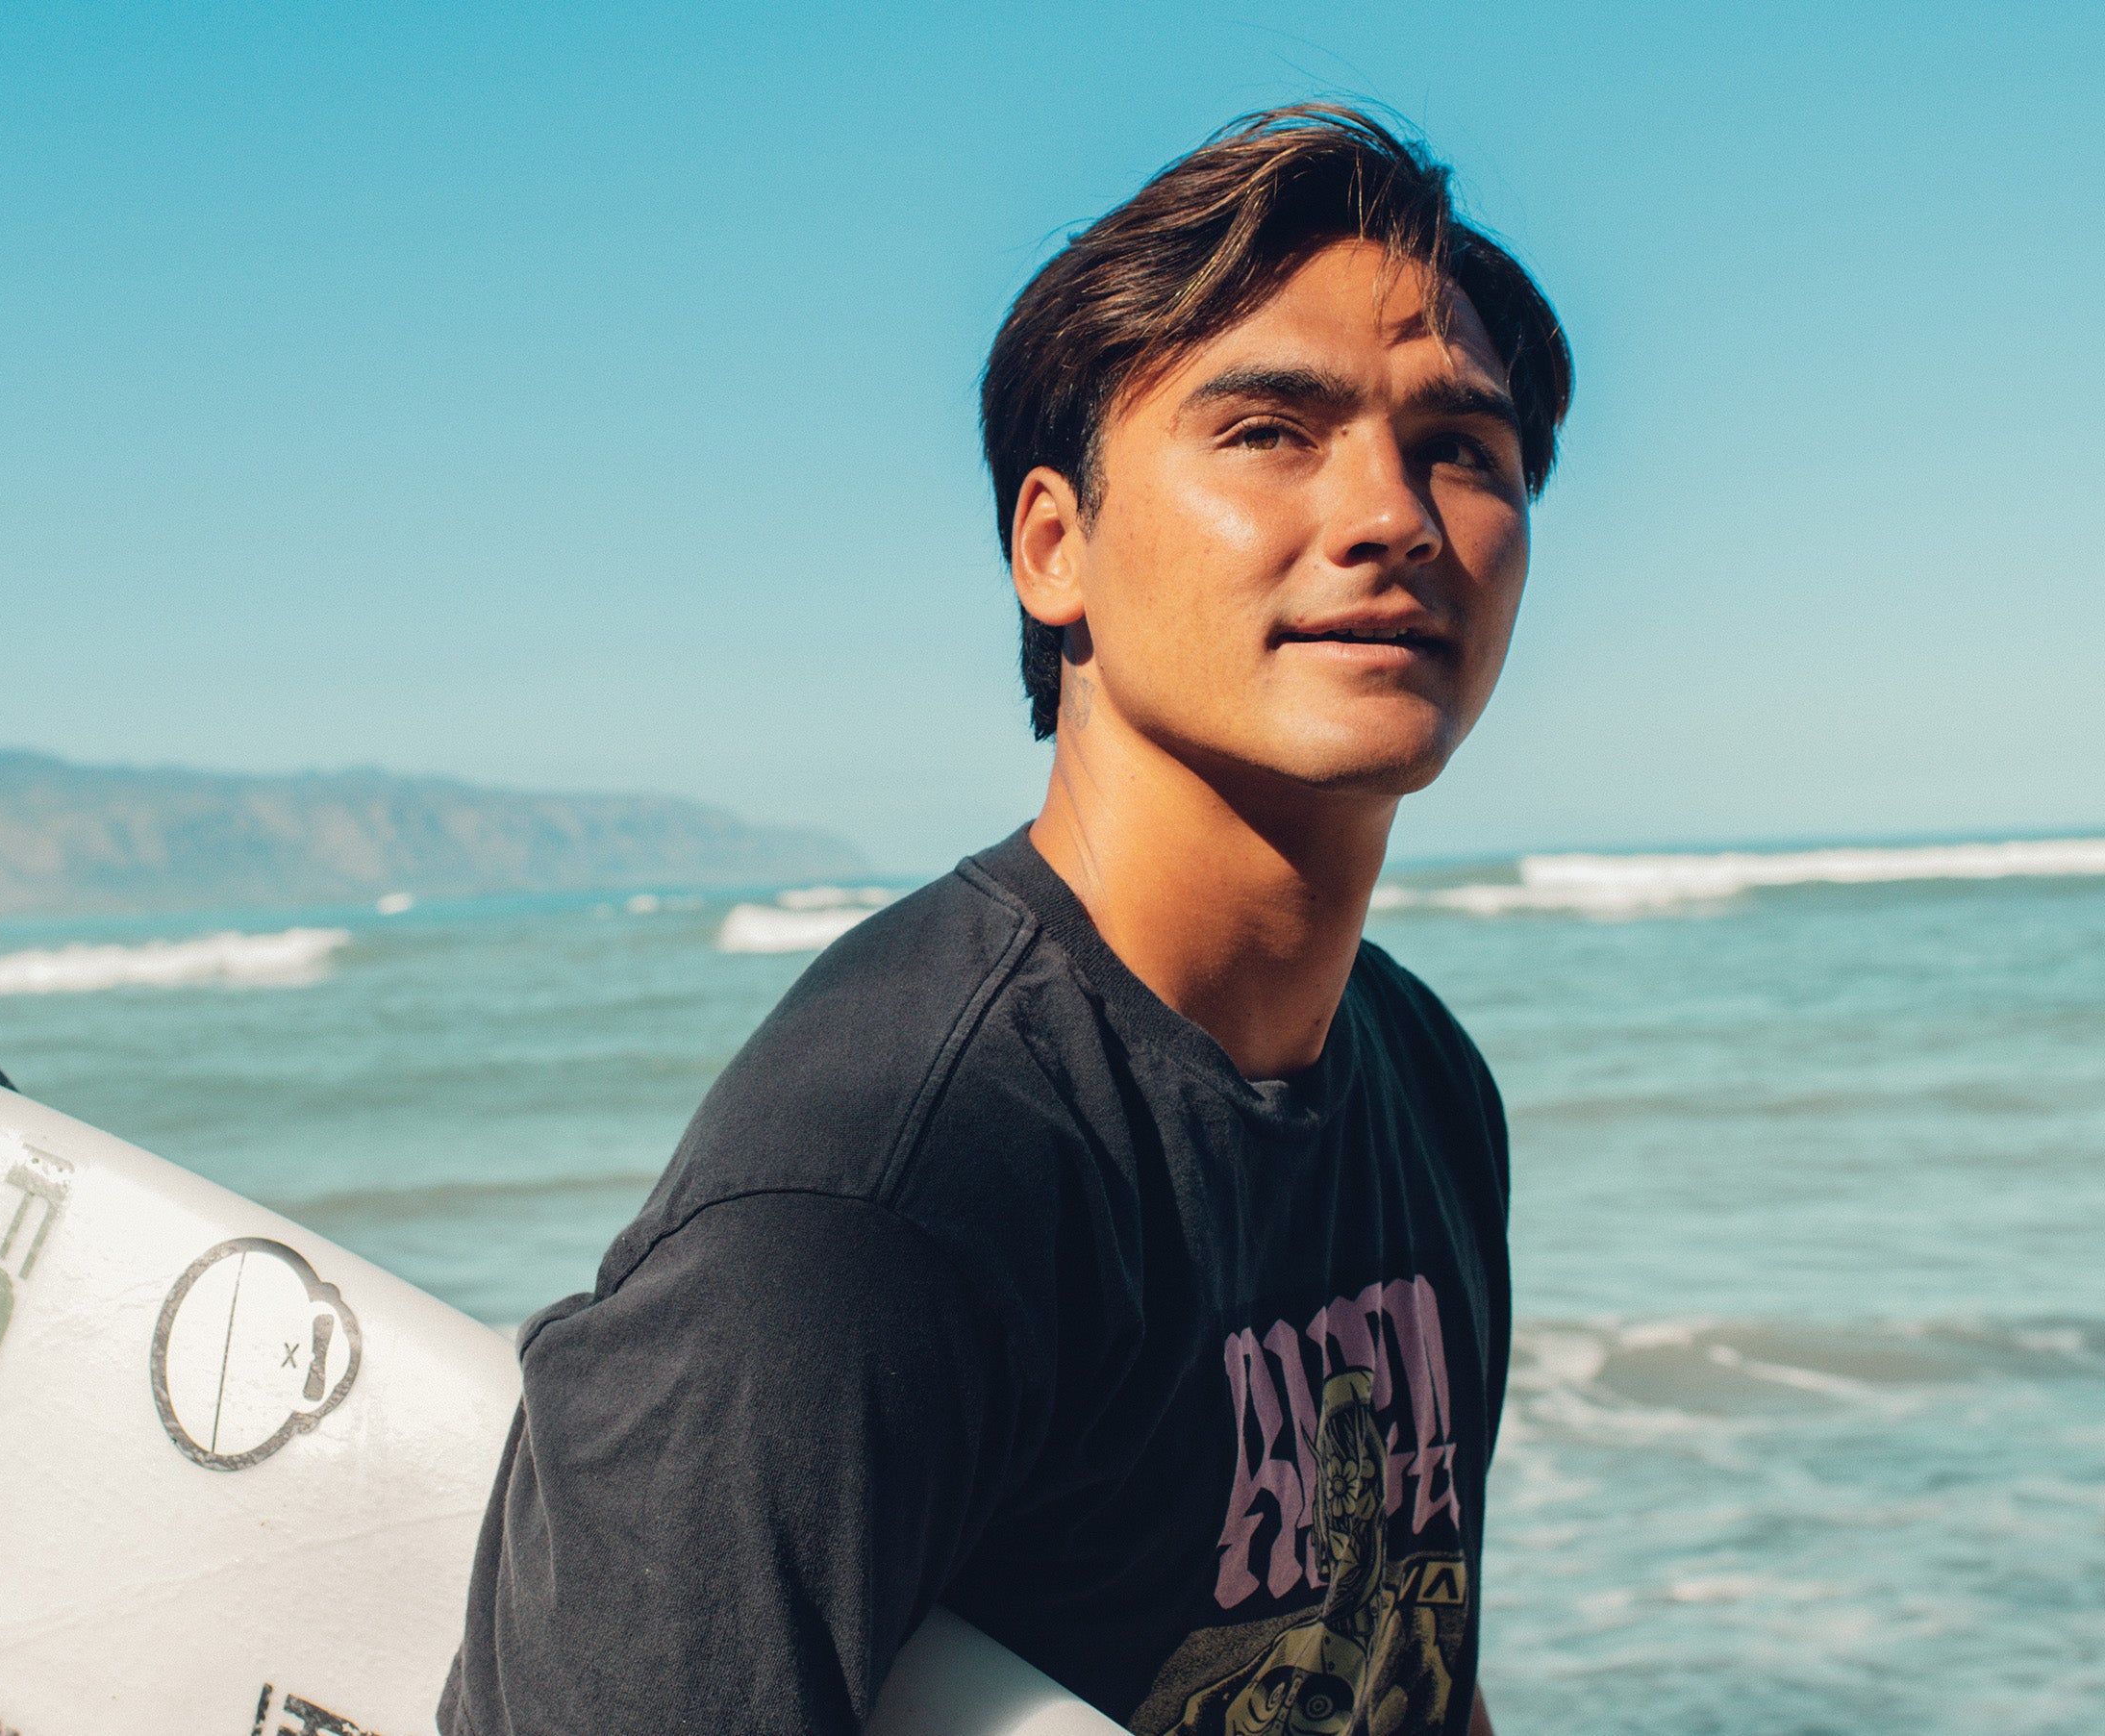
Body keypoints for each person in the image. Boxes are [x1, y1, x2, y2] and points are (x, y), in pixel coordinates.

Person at [442, 103, 1570, 1736]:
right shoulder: (875, 1199)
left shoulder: (1424, 1087)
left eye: (1464, 448)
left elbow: (1414, 1675)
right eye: (1270, 429)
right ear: (1057, 548)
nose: (1395, 511)